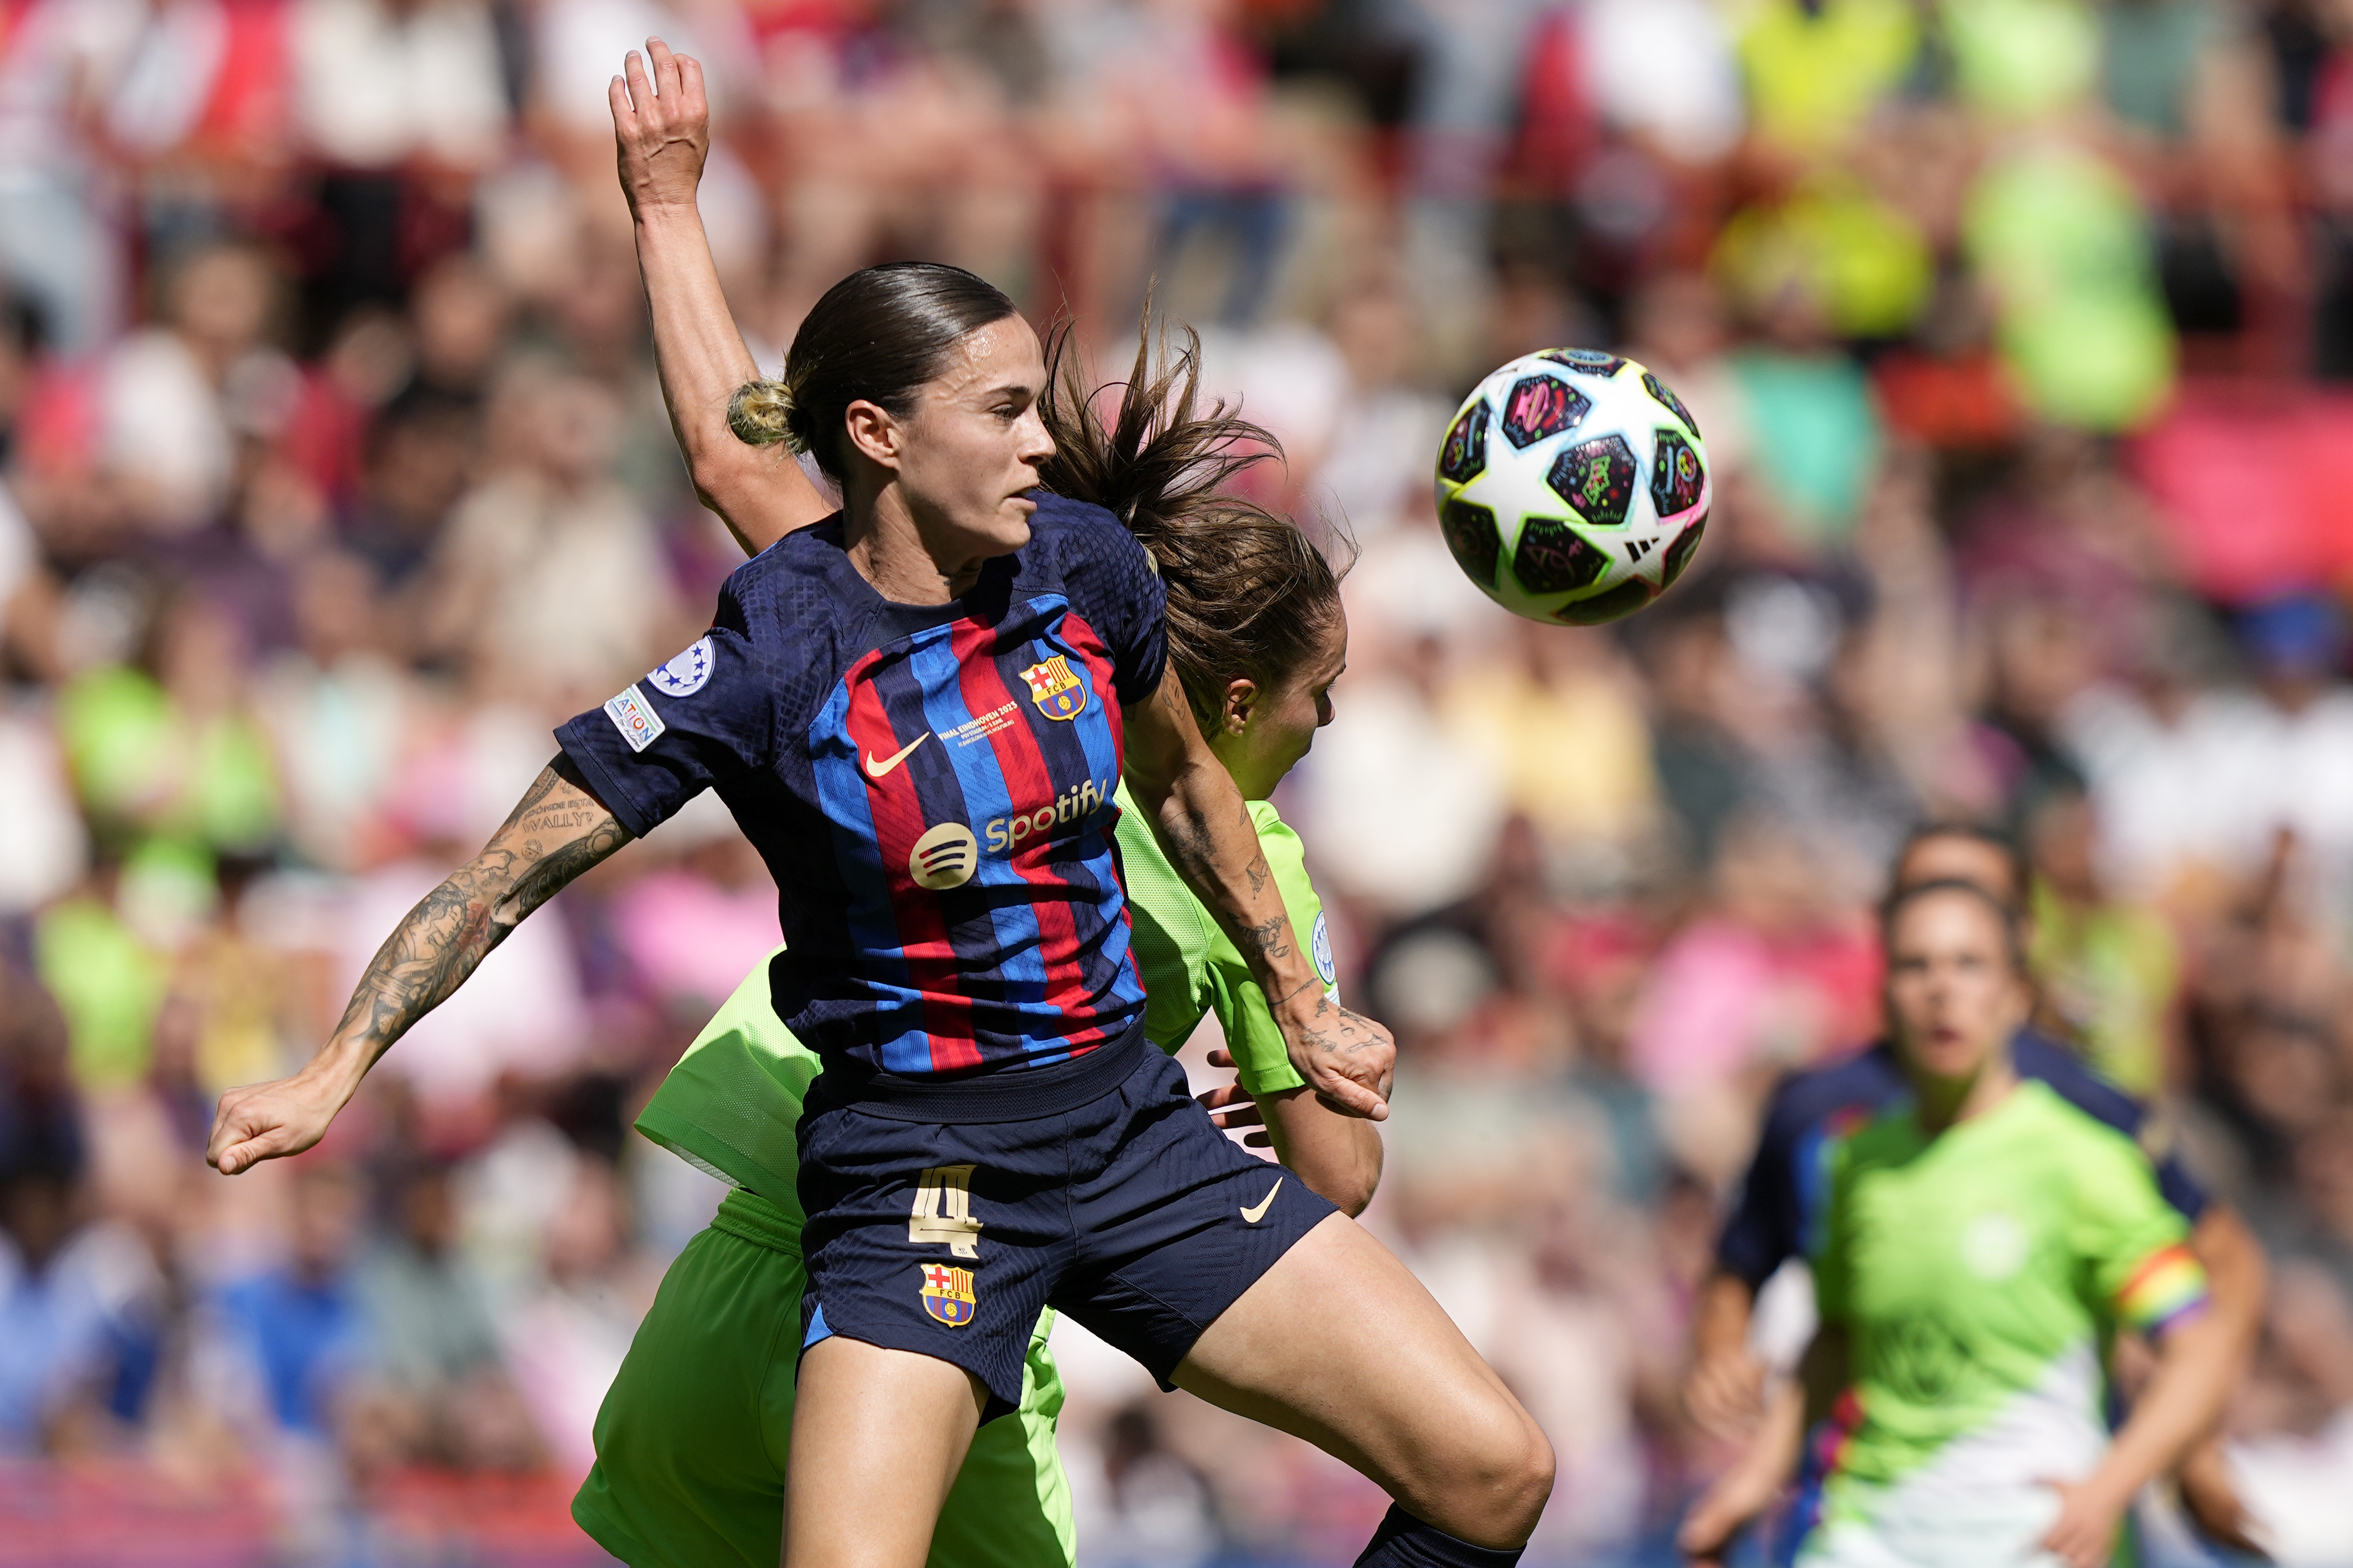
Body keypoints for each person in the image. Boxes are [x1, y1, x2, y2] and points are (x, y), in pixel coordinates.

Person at [212, 38, 1552, 1568]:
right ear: (879, 437)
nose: (1043, 442)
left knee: (1491, 1468)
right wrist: (335, 1066)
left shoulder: (1083, 572)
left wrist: (1303, 1006)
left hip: (1126, 1132)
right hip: (919, 1175)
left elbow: (1185, 784)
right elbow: (505, 876)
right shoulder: (774, 655)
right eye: (1001, 411)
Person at [575, 113, 1381, 1565]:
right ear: (1246, 698)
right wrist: (1264, 1083)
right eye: (1322, 698)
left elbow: (724, 447)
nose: (1326, 731)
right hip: (957, 1305)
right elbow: (1338, 1180)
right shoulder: (1249, 854)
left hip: (747, 1271)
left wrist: (666, 203)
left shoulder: (944, 646)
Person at [1677, 822, 2266, 1561]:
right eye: (1917, 957)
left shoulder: (2086, 1138)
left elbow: (2210, 1297)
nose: (1943, 988)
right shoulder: (1842, 1144)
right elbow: (1815, 1316)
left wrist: (2176, 1457)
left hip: (2033, 1529)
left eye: (1970, 954)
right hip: (1864, 1527)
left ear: (2019, 970)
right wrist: (1747, 1456)